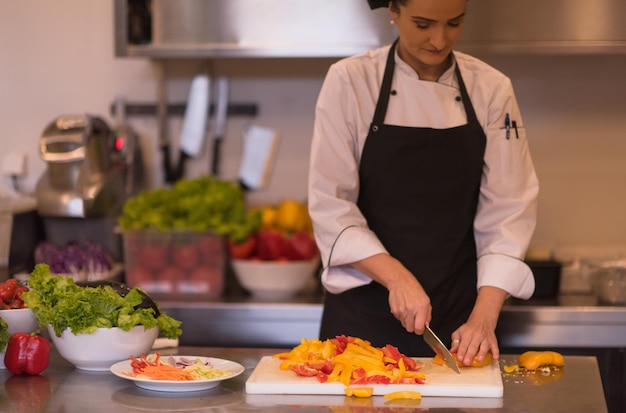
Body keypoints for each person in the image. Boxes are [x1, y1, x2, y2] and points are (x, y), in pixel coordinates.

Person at [307, 0, 539, 366]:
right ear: (393, 12)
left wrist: (484, 316)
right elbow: (331, 204)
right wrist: (397, 278)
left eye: (454, 23)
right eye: (423, 24)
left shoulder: (492, 88)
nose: (439, 39)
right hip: (362, 315)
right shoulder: (351, 81)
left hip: (461, 319)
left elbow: (509, 209)